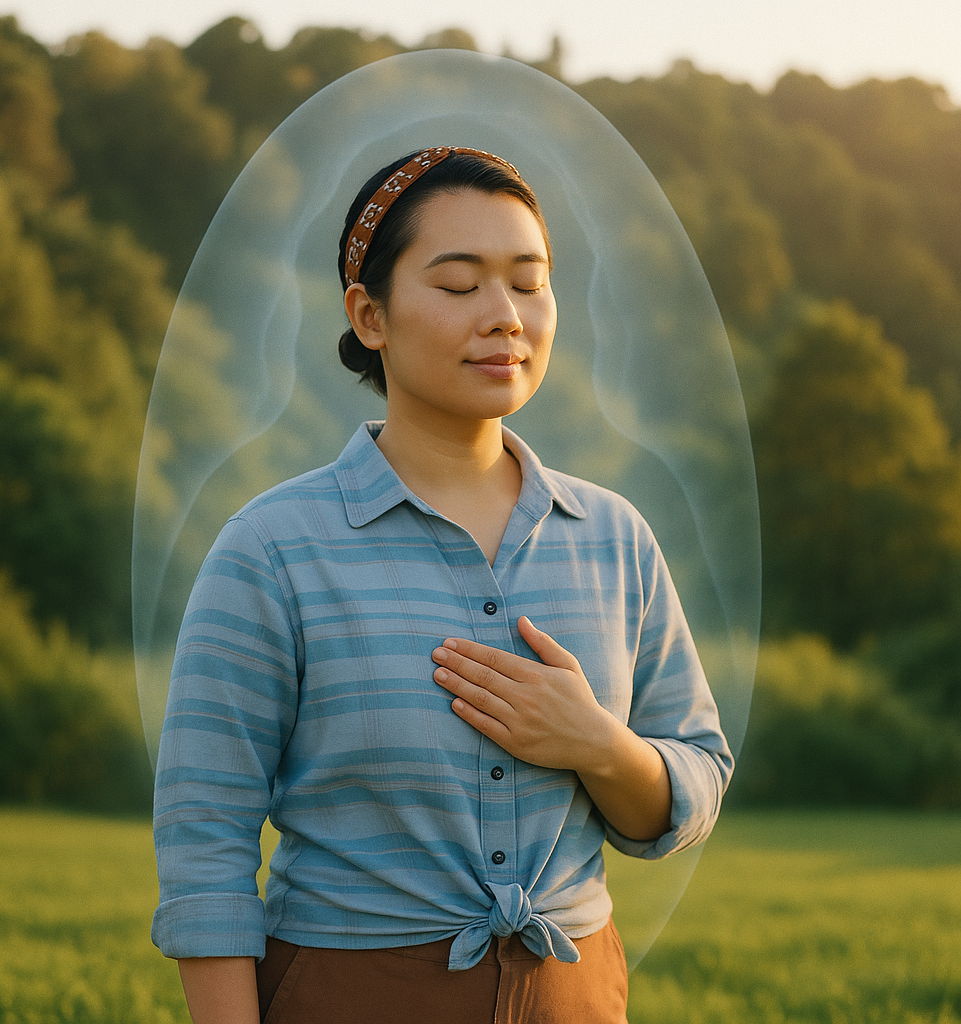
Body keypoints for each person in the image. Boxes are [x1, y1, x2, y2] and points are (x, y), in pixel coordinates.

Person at [151, 146, 734, 1024]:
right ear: (369, 315)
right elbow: (206, 835)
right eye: (460, 286)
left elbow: (695, 778)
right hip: (349, 995)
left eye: (529, 283)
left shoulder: (614, 539)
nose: (504, 317)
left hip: (572, 997)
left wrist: (594, 743)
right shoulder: (270, 550)